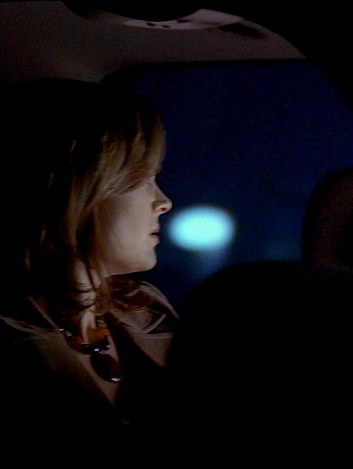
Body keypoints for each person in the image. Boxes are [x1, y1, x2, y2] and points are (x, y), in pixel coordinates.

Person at [0, 78, 178, 467]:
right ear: (76, 186)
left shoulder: (148, 311)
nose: (163, 202)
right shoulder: (11, 345)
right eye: (144, 178)